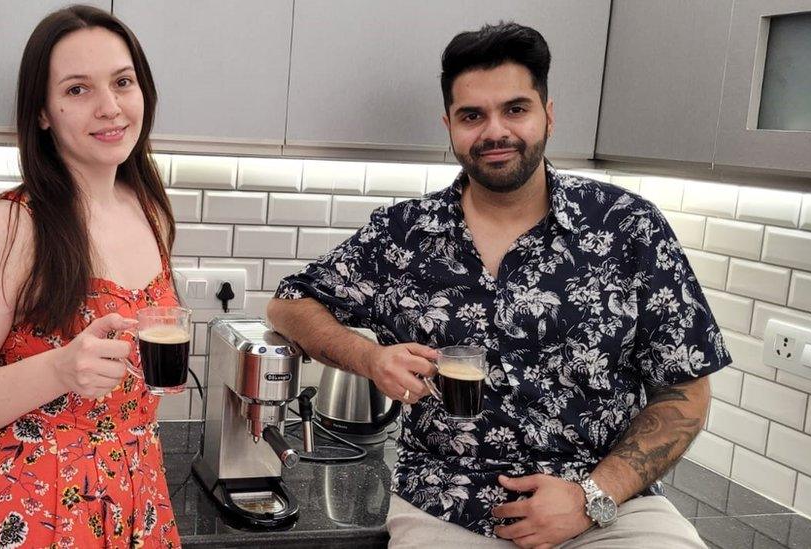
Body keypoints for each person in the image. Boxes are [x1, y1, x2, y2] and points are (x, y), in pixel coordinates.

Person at [268, 21, 729, 549]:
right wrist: (369, 358)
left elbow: (687, 390)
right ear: (449, 125)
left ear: (548, 114)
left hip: (611, 510)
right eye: (472, 116)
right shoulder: (403, 234)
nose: (495, 131)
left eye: (515, 109)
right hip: (446, 510)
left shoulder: (627, 226)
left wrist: (592, 496)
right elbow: (288, 305)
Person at [0, 6, 181, 548]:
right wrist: (60, 369)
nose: (110, 107)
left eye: (122, 82)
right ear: (43, 112)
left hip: (137, 499)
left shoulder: (148, 209)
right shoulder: (12, 226)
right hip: (35, 511)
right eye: (78, 90)